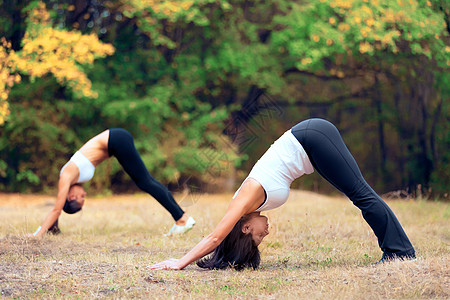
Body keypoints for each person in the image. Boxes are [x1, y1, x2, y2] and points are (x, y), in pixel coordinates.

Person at [149, 118, 415, 270]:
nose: (265, 234)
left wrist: (181, 262)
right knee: (358, 194)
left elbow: (216, 236)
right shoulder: (247, 207)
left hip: (311, 138)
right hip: (310, 149)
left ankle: (399, 251)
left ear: (244, 229)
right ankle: (398, 250)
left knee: (360, 194)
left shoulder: (243, 201)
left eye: (257, 237)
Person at [31, 128, 195, 238]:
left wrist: (37, 235)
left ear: (71, 197)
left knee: (145, 182)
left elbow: (56, 209)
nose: (85, 194)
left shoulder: (66, 176)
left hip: (115, 139)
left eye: (81, 198)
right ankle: (181, 217)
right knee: (145, 181)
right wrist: (52, 229)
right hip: (115, 141)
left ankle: (182, 218)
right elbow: (59, 208)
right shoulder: (70, 180)